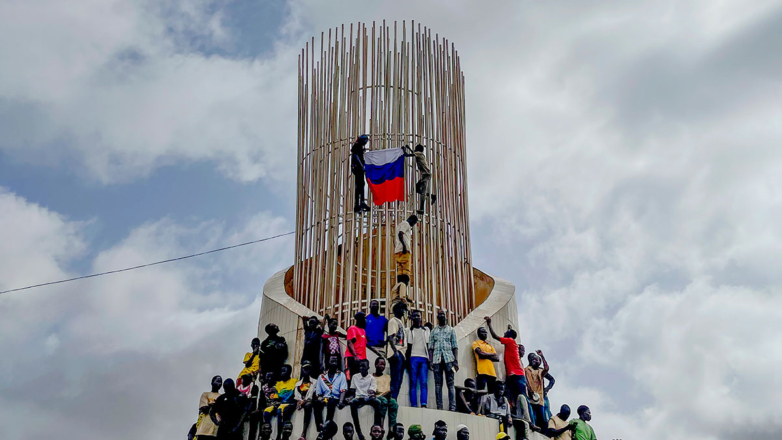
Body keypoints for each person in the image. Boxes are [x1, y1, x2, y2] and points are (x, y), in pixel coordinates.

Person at [484, 317, 526, 407]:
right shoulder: (512, 342)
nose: (504, 334)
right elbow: (510, 334)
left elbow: (495, 337)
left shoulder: (510, 341)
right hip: (514, 374)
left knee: (522, 396)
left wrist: (489, 324)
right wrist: (509, 329)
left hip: (516, 374)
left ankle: (527, 416)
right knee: (513, 394)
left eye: (506, 333)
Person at [429, 309, 459, 411]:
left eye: (443, 314)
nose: (441, 316)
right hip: (437, 360)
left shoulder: (451, 330)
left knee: (450, 384)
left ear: (446, 317)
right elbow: (431, 348)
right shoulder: (433, 331)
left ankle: (452, 407)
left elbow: (455, 346)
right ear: (437, 317)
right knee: (438, 384)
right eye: (440, 314)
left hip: (449, 360)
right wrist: (430, 361)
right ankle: (439, 407)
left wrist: (456, 361)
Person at [264, 364, 297, 440]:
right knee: (266, 411)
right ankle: (267, 434)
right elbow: (276, 398)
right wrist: (276, 403)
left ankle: (279, 435)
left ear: (289, 372)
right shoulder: (278, 384)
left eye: (284, 371)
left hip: (289, 403)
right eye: (281, 371)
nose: (282, 372)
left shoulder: (294, 381)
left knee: (280, 410)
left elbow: (295, 395)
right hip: (280, 403)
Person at [390, 215, 418, 305]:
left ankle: (399, 294)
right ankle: (403, 296)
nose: (413, 225)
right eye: (413, 223)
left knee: (400, 274)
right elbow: (400, 234)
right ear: (412, 220)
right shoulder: (406, 224)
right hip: (404, 251)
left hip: (398, 251)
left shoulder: (400, 224)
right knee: (406, 274)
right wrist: (405, 246)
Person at [314, 355, 348, 429]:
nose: (334, 363)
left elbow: (343, 390)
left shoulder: (341, 375)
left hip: (335, 398)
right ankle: (319, 426)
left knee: (332, 401)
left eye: (336, 361)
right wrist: (320, 399)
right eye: (332, 361)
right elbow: (318, 393)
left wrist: (341, 401)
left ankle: (327, 425)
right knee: (316, 403)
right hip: (325, 398)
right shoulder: (321, 376)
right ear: (328, 363)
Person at [350, 359, 380, 440]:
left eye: (363, 366)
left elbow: (372, 391)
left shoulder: (372, 378)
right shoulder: (355, 377)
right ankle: (358, 431)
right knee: (352, 403)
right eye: (360, 366)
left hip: (368, 398)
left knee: (378, 402)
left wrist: (370, 394)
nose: (361, 368)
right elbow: (352, 391)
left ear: (368, 368)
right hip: (358, 398)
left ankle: (376, 428)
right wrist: (350, 398)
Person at [405, 309, 430, 408]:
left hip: (424, 358)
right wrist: (407, 361)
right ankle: (414, 404)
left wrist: (430, 359)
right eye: (414, 316)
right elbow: (407, 347)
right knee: (413, 382)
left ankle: (424, 403)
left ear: (421, 317)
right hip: (412, 358)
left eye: (418, 316)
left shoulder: (426, 330)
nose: (416, 318)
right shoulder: (408, 330)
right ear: (411, 318)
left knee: (424, 382)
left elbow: (428, 345)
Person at [402, 144, 435, 215]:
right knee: (416, 189)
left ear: (418, 149)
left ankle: (421, 209)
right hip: (425, 174)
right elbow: (413, 152)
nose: (415, 149)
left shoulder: (419, 153)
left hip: (426, 174)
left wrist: (403, 150)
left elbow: (407, 155)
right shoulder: (419, 154)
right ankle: (432, 196)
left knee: (423, 192)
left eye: (415, 148)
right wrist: (409, 148)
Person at [524, 352, 552, 431]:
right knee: (533, 416)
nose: (534, 361)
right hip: (531, 397)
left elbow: (546, 369)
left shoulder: (540, 371)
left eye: (536, 360)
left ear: (539, 362)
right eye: (533, 359)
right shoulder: (527, 370)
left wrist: (542, 356)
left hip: (540, 399)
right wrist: (530, 390)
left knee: (542, 418)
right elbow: (525, 380)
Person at [386, 302, 407, 401]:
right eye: (402, 309)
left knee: (399, 379)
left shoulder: (400, 322)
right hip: (397, 353)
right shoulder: (393, 321)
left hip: (401, 353)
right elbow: (390, 337)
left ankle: (394, 399)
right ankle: (392, 399)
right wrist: (395, 351)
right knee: (396, 378)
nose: (403, 312)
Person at [373, 357, 398, 434]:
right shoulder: (371, 377)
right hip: (377, 397)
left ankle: (391, 428)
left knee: (393, 403)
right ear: (376, 365)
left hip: (387, 396)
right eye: (381, 364)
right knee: (383, 401)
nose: (383, 366)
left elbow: (389, 388)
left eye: (384, 365)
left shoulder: (387, 377)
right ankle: (381, 426)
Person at [472, 326, 500, 392]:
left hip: (492, 372)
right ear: (479, 334)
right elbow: (481, 354)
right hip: (482, 371)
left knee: (492, 393)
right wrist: (491, 354)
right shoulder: (476, 343)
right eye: (483, 332)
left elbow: (497, 358)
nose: (485, 334)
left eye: (485, 332)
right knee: (481, 392)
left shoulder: (490, 345)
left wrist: (485, 354)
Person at [194, 375, 222, 440]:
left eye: (220, 382)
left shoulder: (222, 397)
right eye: (217, 381)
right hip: (204, 430)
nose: (219, 383)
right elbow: (204, 408)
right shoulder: (205, 394)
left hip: (215, 430)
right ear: (212, 382)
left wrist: (211, 405)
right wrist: (217, 407)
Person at [295, 361, 316, 440]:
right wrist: (300, 401)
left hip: (309, 402)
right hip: (301, 402)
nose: (306, 371)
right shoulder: (297, 384)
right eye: (305, 369)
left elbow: (312, 395)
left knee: (308, 405)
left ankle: (304, 432)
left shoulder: (315, 382)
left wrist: (304, 401)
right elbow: (296, 396)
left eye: (308, 369)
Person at [346, 311, 368, 381]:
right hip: (353, 358)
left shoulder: (363, 330)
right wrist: (355, 356)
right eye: (364, 318)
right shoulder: (352, 328)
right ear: (359, 319)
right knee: (352, 378)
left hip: (362, 359)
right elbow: (350, 342)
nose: (365, 320)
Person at [351, 134, 371, 213]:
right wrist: (362, 166)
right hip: (357, 168)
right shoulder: (357, 146)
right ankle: (358, 204)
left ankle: (361, 202)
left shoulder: (359, 147)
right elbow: (356, 156)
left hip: (359, 168)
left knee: (361, 185)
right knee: (359, 186)